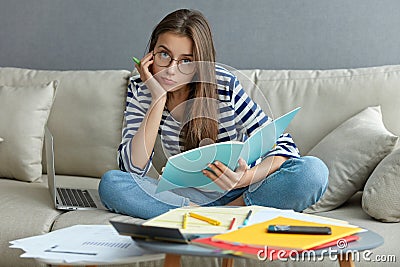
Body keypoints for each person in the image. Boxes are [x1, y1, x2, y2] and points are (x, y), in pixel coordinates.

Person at [99, 9, 328, 219]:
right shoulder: (142, 85)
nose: (171, 70)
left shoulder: (222, 83)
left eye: (186, 61)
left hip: (242, 190)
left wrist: (242, 179)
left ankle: (225, 213)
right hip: (188, 198)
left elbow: (284, 146)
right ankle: (211, 216)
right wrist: (157, 98)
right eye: (164, 55)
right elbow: (131, 168)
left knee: (312, 172)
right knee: (111, 184)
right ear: (151, 53)